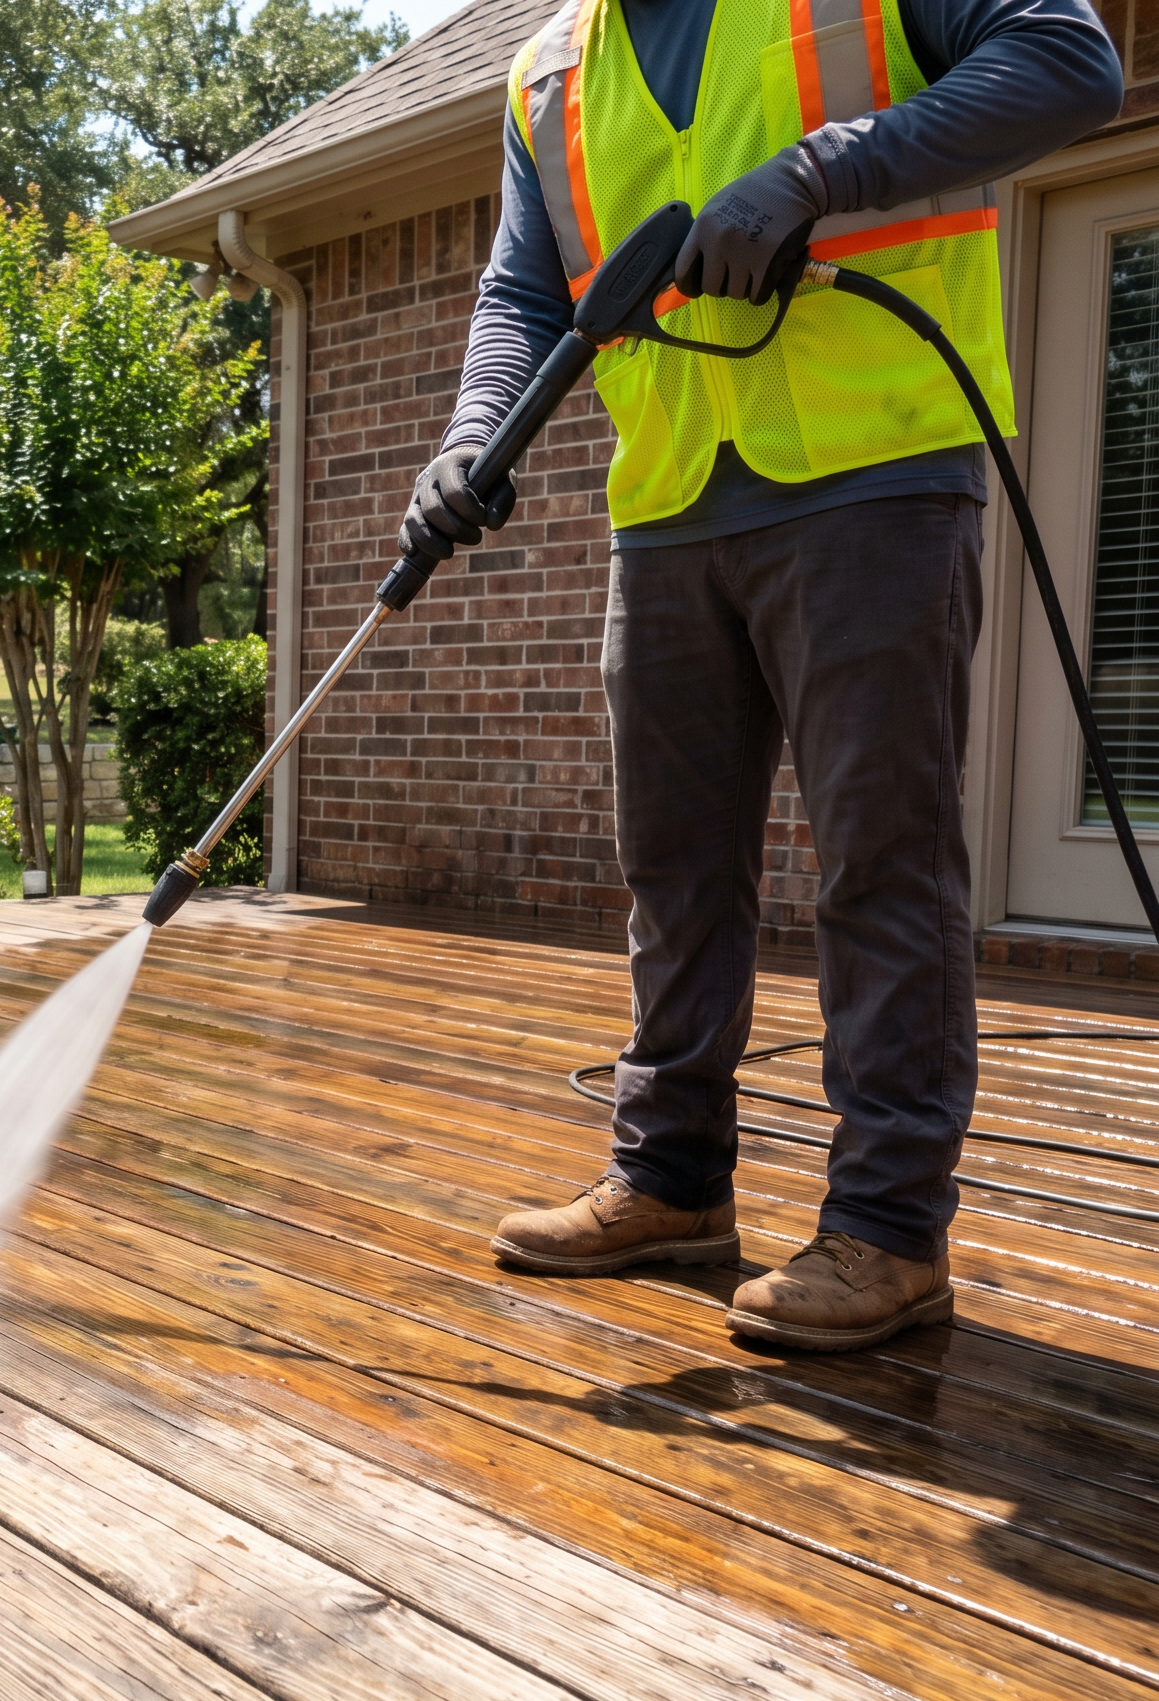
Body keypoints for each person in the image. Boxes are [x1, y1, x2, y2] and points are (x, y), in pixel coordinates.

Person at [403, 0, 1121, 1349]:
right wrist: (469, 437)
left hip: (874, 474)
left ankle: (889, 1229)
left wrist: (817, 169)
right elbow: (523, 289)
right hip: (670, 500)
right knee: (675, 870)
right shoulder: (552, 69)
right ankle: (672, 1182)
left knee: (879, 860)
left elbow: (1073, 63)